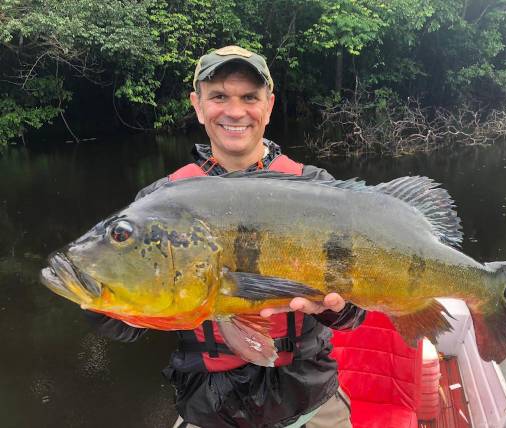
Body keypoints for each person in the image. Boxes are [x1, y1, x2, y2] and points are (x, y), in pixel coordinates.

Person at [87, 45, 365, 428]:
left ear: (269, 105)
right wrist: (98, 292)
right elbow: (125, 327)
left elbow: (355, 316)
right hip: (208, 409)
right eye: (219, 96)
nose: (235, 111)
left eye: (249, 97)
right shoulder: (159, 204)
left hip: (310, 403)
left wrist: (335, 306)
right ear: (197, 105)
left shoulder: (317, 190)